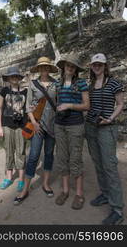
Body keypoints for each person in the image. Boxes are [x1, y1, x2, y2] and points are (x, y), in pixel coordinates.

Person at [85, 53, 124, 225]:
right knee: (98, 163)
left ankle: (117, 210)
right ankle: (105, 194)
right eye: (94, 64)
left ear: (105, 65)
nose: (97, 67)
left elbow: (121, 104)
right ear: (92, 67)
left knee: (109, 166)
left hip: (107, 128)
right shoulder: (91, 85)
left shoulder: (114, 83)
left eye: (100, 64)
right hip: (91, 127)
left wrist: (110, 118)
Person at [14, 57, 58, 205]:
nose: (44, 69)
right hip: (37, 125)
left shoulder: (56, 84)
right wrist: (34, 122)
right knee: (33, 156)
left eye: (46, 67)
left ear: (49, 68)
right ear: (38, 69)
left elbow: (58, 104)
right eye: (41, 67)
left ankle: (45, 183)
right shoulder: (33, 84)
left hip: (52, 126)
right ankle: (25, 188)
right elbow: (28, 107)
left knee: (49, 154)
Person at [54, 53, 90, 210]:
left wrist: (69, 105)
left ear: (76, 69)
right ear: (63, 67)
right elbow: (56, 102)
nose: (69, 68)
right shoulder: (58, 83)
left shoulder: (81, 84)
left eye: (72, 66)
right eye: (67, 65)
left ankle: (79, 194)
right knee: (62, 158)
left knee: (75, 159)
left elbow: (87, 105)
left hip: (75, 125)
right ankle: (65, 190)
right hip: (59, 125)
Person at [0, 66, 27, 192]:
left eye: (16, 75)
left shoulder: (25, 91)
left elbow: (29, 107)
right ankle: (8, 178)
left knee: (21, 152)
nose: (14, 78)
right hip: (7, 125)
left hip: (21, 126)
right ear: (8, 78)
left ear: (19, 78)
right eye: (12, 76)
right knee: (9, 151)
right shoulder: (4, 91)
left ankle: (21, 179)